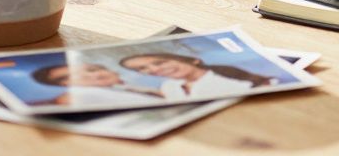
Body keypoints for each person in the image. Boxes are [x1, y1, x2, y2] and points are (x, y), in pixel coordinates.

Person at [119, 53, 277, 99]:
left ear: (193, 60)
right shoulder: (169, 87)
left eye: (160, 62)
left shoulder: (228, 77)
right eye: (141, 69)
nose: (153, 70)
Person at [30, 63, 164, 107]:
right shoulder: (76, 96)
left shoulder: (137, 87)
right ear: (65, 85)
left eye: (92, 69)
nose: (92, 76)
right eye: (73, 76)